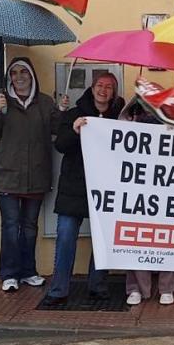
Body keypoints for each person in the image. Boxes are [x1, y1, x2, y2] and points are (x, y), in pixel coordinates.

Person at [42, 73, 125, 307]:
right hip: (74, 187)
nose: (104, 90)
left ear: (114, 92)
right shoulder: (74, 114)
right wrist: (75, 130)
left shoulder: (122, 116)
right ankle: (59, 290)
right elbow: (60, 144)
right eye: (100, 85)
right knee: (66, 237)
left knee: (103, 240)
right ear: (92, 87)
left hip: (106, 189)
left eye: (109, 87)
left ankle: (97, 286)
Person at [0, 58, 63, 293]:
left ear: (32, 75)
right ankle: (9, 274)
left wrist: (61, 112)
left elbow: (56, 129)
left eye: (24, 72)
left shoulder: (45, 102)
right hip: (7, 175)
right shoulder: (1, 101)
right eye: (15, 73)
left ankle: (29, 271)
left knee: (29, 227)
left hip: (36, 175)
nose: (19, 77)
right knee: (10, 226)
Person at [117, 101, 174, 306]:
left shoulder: (172, 124)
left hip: (165, 190)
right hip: (136, 191)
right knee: (135, 237)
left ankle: (167, 287)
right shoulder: (126, 122)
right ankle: (135, 287)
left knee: (168, 236)